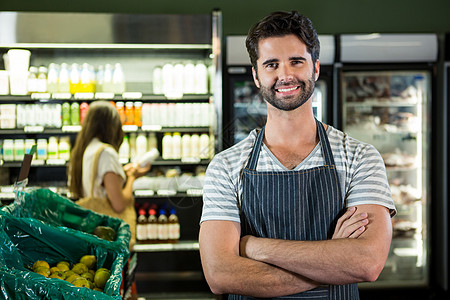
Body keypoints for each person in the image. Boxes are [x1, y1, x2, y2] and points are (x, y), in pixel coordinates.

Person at [199, 11, 396, 299]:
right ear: (256, 75)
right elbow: (220, 274)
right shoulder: (226, 167)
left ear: (315, 68)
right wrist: (333, 261)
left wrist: (253, 247)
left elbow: (367, 263)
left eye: (296, 61)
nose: (285, 75)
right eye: (271, 64)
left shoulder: (360, 157)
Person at [68, 100, 150, 248]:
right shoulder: (106, 153)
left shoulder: (85, 150)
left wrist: (123, 172)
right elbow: (118, 204)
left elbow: (100, 185)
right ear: (111, 126)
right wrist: (132, 177)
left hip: (93, 229)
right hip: (108, 233)